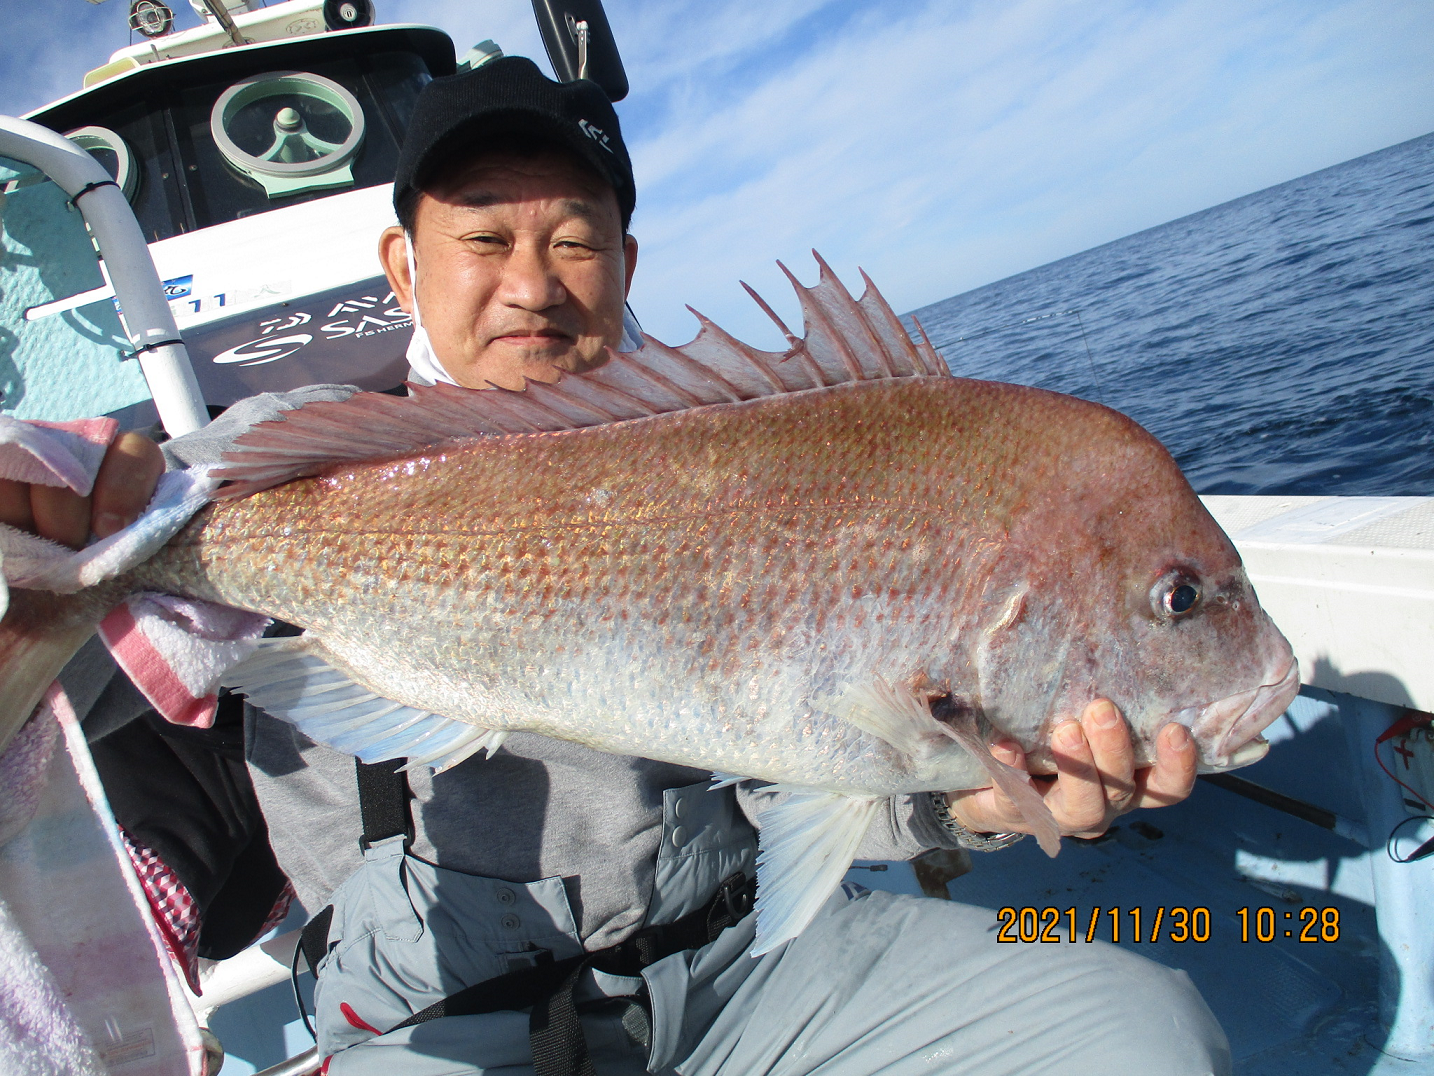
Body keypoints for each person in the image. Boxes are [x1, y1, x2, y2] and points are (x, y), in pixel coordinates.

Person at [11, 57, 1227, 1076]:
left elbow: (805, 784)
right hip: (433, 1013)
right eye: (484, 236)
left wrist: (966, 804)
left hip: (740, 965)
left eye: (575, 240)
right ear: (401, 267)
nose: (532, 285)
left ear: (628, 264)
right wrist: (67, 550)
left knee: (1141, 1033)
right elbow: (67, 698)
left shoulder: (739, 451)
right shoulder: (288, 471)